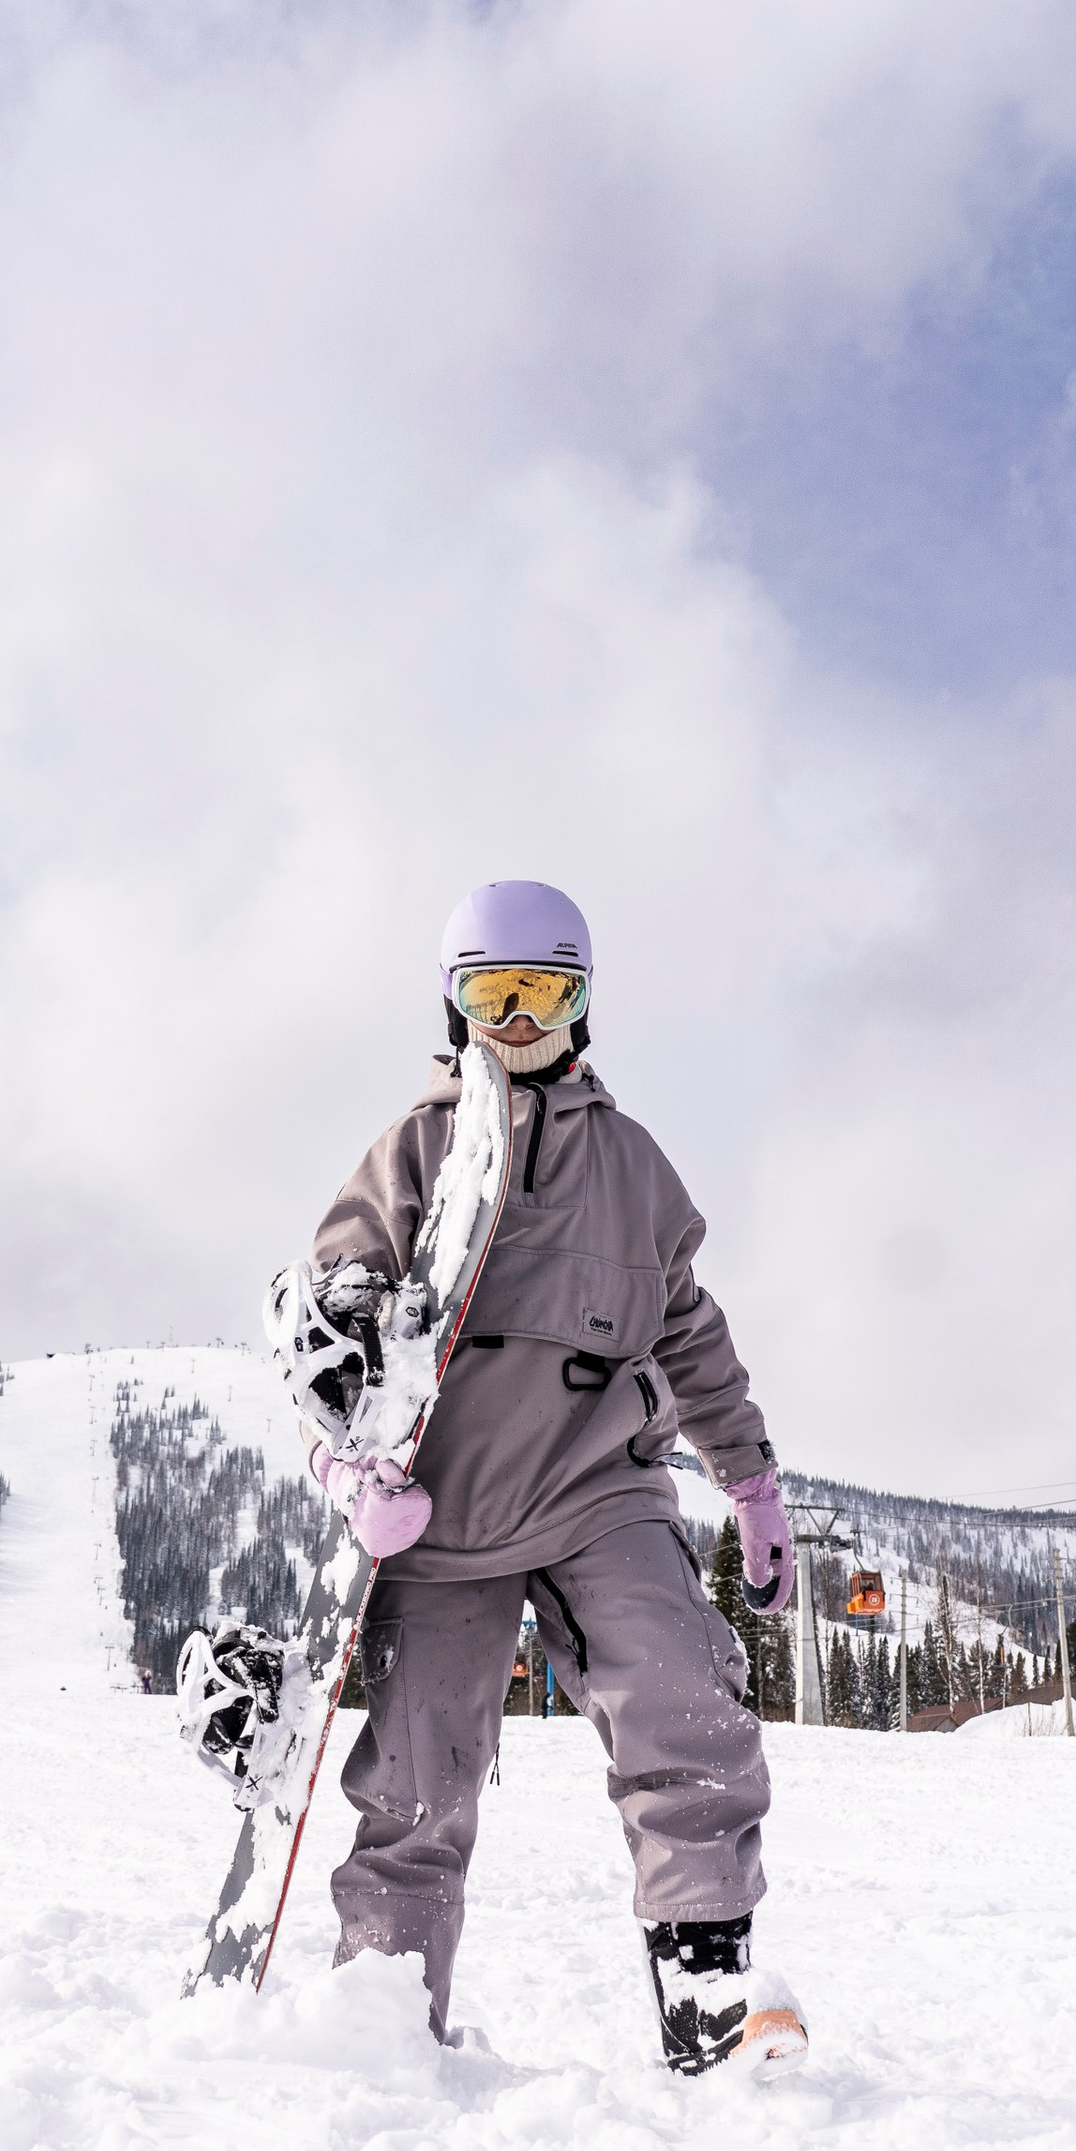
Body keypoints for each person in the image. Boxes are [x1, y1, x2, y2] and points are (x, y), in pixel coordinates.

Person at [294, 878, 805, 2074]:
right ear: (454, 1002)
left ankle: (708, 1993)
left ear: (583, 1004)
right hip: (442, 1510)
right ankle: (381, 2022)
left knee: (684, 1701)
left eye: (544, 991)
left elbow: (688, 1335)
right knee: (417, 1781)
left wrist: (751, 1481)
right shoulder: (412, 1149)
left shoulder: (632, 1166)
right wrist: (348, 1465)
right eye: (491, 991)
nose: (517, 1016)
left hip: (596, 1489)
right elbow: (322, 1334)